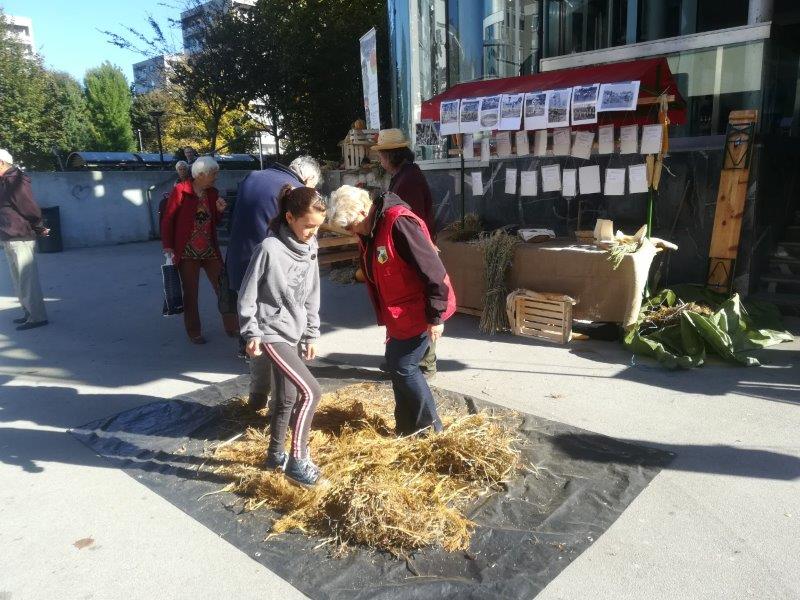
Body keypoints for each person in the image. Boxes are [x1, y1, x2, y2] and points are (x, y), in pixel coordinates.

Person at [329, 186, 456, 436]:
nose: (351, 232)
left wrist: (436, 315)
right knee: (397, 363)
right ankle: (407, 427)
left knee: (404, 366)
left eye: (351, 226)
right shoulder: (370, 229)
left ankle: (431, 430)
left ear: (363, 211)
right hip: (400, 313)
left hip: (419, 309)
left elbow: (433, 270)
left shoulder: (398, 224)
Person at [238, 185, 326, 487]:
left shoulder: (311, 247)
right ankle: (297, 461)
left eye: (318, 227)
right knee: (311, 392)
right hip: (271, 332)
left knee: (286, 398)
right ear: (289, 217)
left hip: (294, 332)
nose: (312, 233)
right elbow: (247, 294)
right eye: (308, 226)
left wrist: (311, 333)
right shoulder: (269, 249)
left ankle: (275, 455)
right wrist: (251, 331)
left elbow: (312, 293)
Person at [226, 156, 321, 409]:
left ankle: (257, 397)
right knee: (280, 334)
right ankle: (282, 405)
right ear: (308, 179)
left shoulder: (253, 177)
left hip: (240, 259)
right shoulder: (294, 193)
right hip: (272, 268)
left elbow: (233, 218)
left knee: (259, 330)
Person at [373, 128, 439, 377]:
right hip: (411, 248)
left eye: (381, 155)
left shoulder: (408, 179)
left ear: (391, 155)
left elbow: (411, 221)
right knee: (409, 306)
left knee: (420, 305)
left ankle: (425, 363)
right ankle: (404, 360)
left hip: (415, 249)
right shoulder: (404, 175)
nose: (380, 160)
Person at [161, 156, 238, 343]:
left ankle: (232, 327)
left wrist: (219, 211)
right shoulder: (181, 190)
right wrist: (168, 246)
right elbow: (168, 219)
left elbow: (214, 222)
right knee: (190, 293)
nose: (216, 177)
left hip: (210, 250)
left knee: (224, 288)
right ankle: (194, 332)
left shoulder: (212, 193)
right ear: (201, 174)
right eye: (213, 174)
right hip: (187, 251)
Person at [0, 149, 49, 330]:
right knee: (18, 279)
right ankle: (28, 312)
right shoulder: (4, 181)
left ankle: (37, 317)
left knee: (27, 279)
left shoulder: (16, 180)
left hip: (20, 236)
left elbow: (30, 208)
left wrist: (39, 226)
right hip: (9, 235)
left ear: (1, 163)